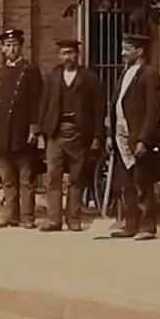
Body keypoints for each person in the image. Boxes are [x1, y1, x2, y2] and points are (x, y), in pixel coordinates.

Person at [35, 38, 104, 232]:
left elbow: (99, 109)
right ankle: (54, 220)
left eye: (71, 53)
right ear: (59, 56)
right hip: (55, 133)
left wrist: (98, 136)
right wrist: (42, 132)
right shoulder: (52, 77)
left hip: (79, 133)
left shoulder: (89, 78)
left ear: (77, 55)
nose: (68, 57)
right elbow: (44, 105)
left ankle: (74, 219)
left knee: (76, 177)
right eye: (64, 53)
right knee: (53, 177)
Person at [110, 32, 160, 241]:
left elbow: (153, 112)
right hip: (121, 135)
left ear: (140, 51)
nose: (123, 53)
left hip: (138, 137)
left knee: (143, 182)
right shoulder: (125, 73)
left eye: (127, 49)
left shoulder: (150, 74)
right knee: (127, 182)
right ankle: (130, 225)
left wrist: (144, 139)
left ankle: (148, 226)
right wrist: (111, 134)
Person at [0, 28, 42, 230]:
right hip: (3, 132)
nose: (11, 49)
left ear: (21, 47)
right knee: (7, 177)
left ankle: (27, 216)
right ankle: (10, 215)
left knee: (26, 178)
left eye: (15, 45)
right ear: (2, 49)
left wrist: (33, 129)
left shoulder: (30, 70)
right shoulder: (0, 72)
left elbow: (37, 102)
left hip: (22, 132)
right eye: (8, 45)